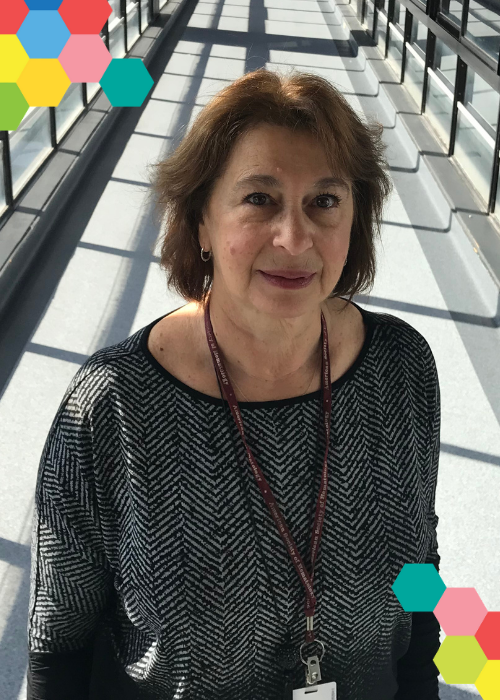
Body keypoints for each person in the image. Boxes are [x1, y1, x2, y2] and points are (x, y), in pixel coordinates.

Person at [26, 67, 441, 700]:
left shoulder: (401, 367)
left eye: (324, 201)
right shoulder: (113, 409)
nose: (295, 237)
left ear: (355, 218)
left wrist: (421, 683)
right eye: (259, 199)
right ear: (199, 223)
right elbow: (59, 646)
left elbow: (420, 567)